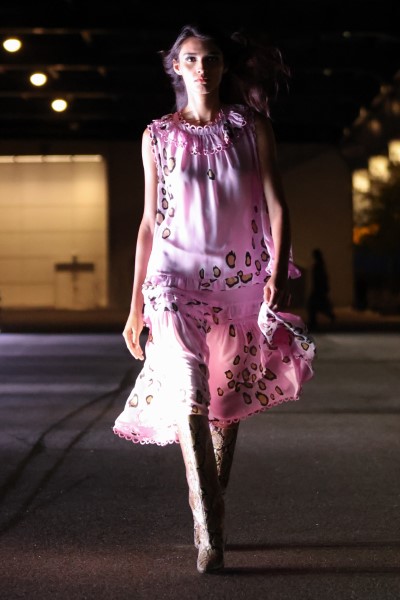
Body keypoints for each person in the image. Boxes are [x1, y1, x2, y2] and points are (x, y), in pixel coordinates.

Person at [113, 23, 316, 574]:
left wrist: (277, 269)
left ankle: (211, 506)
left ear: (224, 67)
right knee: (190, 394)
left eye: (212, 59)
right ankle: (210, 529)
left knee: (225, 402)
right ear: (176, 68)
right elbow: (149, 223)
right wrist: (134, 305)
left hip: (238, 282)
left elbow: (277, 203)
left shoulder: (252, 128)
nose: (202, 68)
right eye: (191, 59)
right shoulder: (157, 135)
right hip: (172, 281)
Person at [307, 248, 336, 330]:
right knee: (316, 305)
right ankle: (315, 321)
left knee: (313, 305)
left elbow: (320, 278)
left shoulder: (318, 266)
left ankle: (314, 322)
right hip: (319, 288)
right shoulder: (320, 265)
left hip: (318, 289)